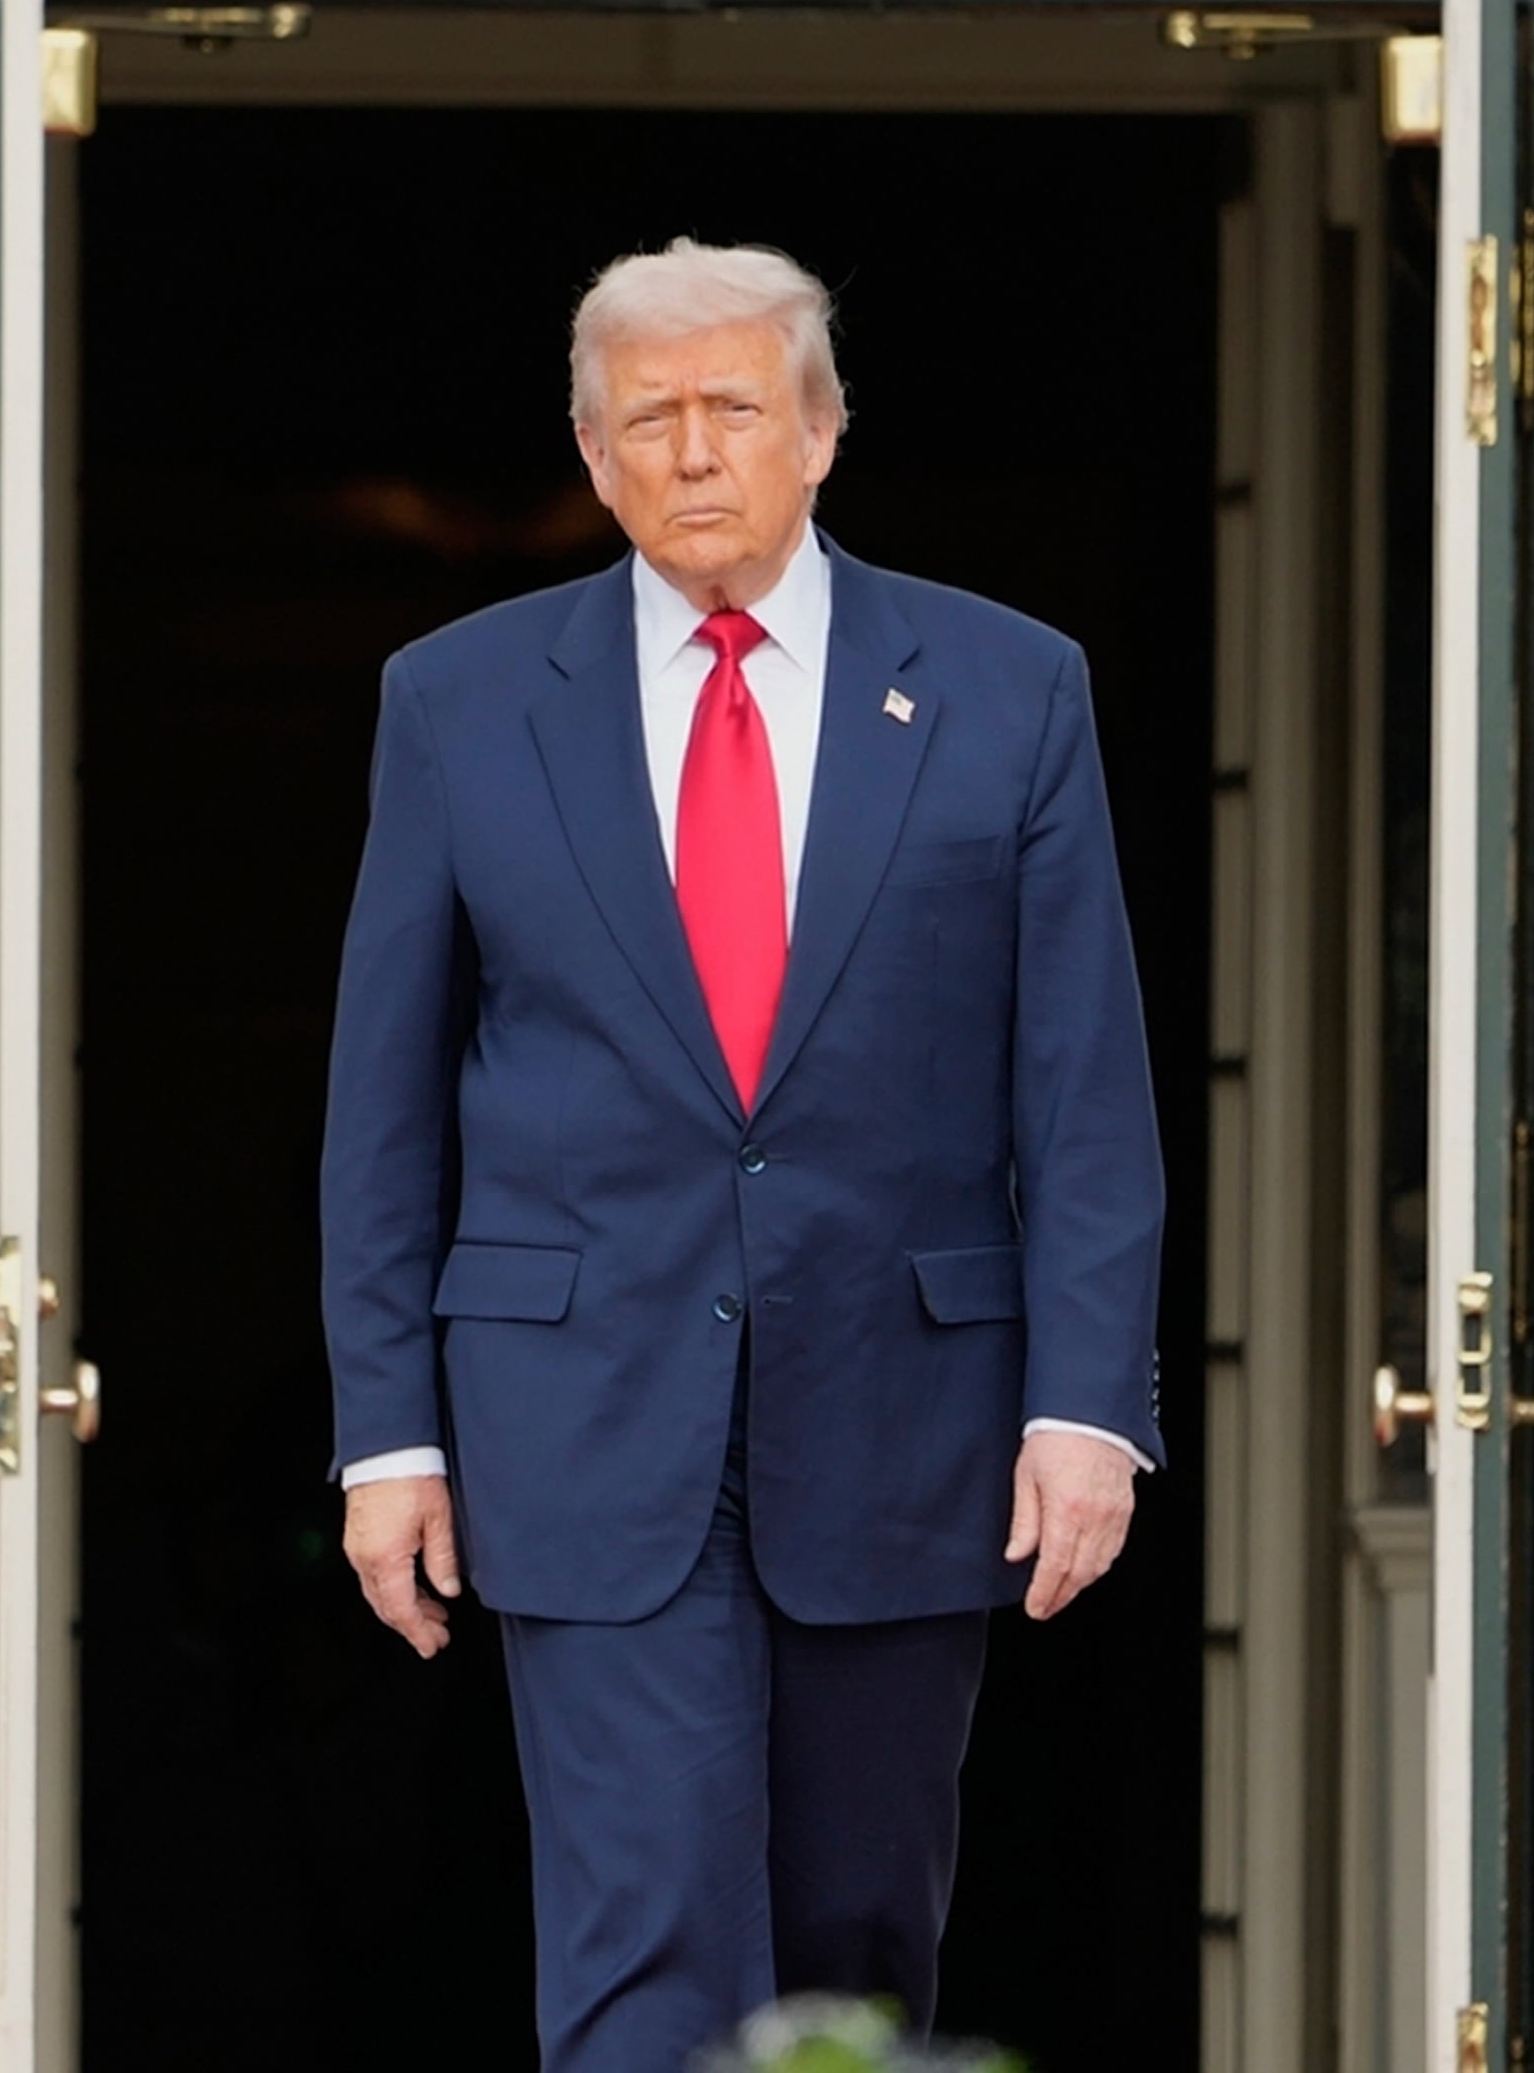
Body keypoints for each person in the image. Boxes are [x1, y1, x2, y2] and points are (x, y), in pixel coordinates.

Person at [317, 239, 1167, 2071]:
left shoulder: (1011, 688)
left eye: (733, 410)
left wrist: (1091, 1405)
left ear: (823, 433)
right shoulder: (458, 700)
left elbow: (1081, 1082)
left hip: (905, 1410)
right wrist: (387, 1432)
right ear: (591, 453)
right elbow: (383, 1098)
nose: (695, 452)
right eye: (649, 420)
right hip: (581, 1410)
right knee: (642, 1946)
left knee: (860, 1946)